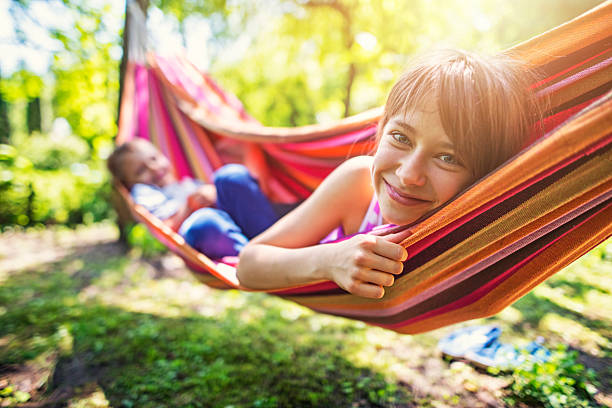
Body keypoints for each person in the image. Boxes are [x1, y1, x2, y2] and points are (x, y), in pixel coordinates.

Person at [236, 49, 543, 299]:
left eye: (448, 157)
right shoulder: (358, 183)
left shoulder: (471, 228)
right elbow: (248, 265)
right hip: (300, 245)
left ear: (481, 178)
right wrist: (329, 261)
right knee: (221, 198)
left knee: (209, 221)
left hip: (298, 239)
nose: (409, 175)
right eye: (401, 138)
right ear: (381, 131)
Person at [107, 138, 283, 259]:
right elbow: (166, 227)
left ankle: (280, 241)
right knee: (204, 222)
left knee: (229, 176)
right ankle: (261, 259)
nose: (153, 168)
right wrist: (192, 204)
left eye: (154, 158)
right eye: (140, 171)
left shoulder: (188, 183)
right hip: (209, 235)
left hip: (249, 228)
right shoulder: (144, 192)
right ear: (129, 185)